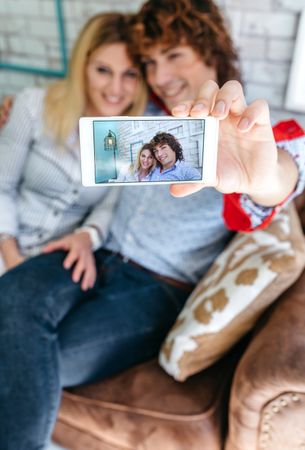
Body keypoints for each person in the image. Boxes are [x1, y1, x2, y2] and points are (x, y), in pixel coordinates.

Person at [1, 2, 305, 449]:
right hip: (99, 251)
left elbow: (283, 175)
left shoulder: (252, 133)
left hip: (156, 286)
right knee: (13, 300)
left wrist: (267, 175)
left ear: (209, 48)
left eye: (174, 55)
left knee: (29, 359)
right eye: (151, 63)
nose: (160, 74)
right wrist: (17, 110)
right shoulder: (149, 112)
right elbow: (90, 145)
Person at [0, 12, 147, 285]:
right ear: (83, 66)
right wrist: (11, 258)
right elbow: (2, 187)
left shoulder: (130, 137)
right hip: (5, 240)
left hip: (56, 261)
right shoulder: (32, 106)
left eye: (130, 74)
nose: (116, 88)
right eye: (103, 70)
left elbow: (109, 207)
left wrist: (87, 236)